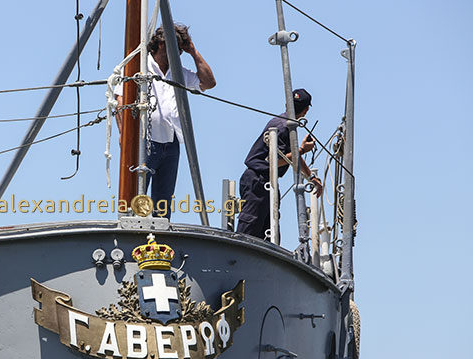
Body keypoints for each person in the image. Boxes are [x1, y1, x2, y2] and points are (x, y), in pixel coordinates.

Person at [115, 24, 216, 219]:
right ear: (162, 44)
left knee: (163, 205)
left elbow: (209, 83)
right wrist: (124, 135)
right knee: (136, 199)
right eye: (176, 47)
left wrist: (193, 51)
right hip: (143, 142)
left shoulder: (179, 73)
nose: (179, 53)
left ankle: (158, 243)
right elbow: (121, 102)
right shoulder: (139, 66)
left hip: (170, 144)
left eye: (181, 49)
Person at [237, 89, 322, 239]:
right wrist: (301, 149)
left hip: (264, 181)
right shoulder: (283, 127)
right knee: (250, 228)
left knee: (268, 232)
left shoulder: (285, 124)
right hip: (258, 180)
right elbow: (274, 160)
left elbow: (292, 157)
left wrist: (311, 178)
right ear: (306, 110)